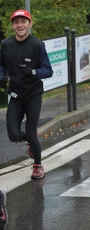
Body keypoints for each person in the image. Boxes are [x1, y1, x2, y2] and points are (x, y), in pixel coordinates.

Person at [0, 10, 53, 180]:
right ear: (12, 26)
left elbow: (48, 71)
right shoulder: (6, 45)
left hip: (33, 94)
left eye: (23, 21)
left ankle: (38, 165)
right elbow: (1, 65)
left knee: (31, 132)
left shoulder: (37, 45)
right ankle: (32, 141)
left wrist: (33, 72)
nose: (20, 25)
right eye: (16, 22)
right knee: (13, 135)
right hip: (15, 95)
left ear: (30, 24)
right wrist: (1, 76)